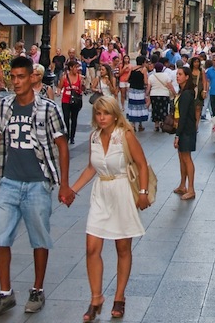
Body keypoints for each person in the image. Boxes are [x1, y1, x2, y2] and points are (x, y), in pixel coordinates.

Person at [0, 57, 73, 318]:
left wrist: (64, 184)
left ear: (32, 77)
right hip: (9, 182)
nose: (16, 81)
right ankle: (5, 293)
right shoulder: (4, 106)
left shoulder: (48, 108)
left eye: (21, 76)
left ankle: (37, 289)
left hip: (38, 182)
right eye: (13, 77)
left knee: (39, 239)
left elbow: (62, 146)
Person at [70, 95, 150, 321]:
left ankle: (119, 296)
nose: (102, 117)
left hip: (122, 191)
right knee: (91, 247)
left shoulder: (125, 136)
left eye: (106, 113)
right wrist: (72, 190)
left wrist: (142, 193)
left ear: (115, 114)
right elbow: (90, 168)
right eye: (98, 113)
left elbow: (142, 165)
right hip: (101, 193)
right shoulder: (94, 137)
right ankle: (96, 297)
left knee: (122, 248)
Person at [173, 65, 198, 200]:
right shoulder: (182, 92)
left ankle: (191, 188)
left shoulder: (187, 93)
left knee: (186, 158)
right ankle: (183, 185)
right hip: (183, 128)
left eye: (180, 74)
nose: (178, 76)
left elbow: (184, 115)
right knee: (182, 157)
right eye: (177, 74)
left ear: (187, 77)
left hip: (186, 129)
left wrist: (178, 134)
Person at [59, 60, 86, 145]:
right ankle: (66, 136)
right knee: (66, 118)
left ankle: (72, 137)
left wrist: (83, 85)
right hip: (66, 100)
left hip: (76, 100)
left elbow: (83, 90)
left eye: (77, 67)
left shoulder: (80, 77)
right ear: (70, 68)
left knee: (74, 119)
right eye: (75, 67)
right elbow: (60, 87)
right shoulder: (64, 77)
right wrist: (58, 92)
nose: (77, 69)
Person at [148, 62, 177, 133]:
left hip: (154, 95)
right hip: (164, 94)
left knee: (155, 109)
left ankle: (156, 125)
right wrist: (175, 94)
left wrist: (146, 94)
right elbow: (170, 86)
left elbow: (149, 88)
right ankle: (163, 123)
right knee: (164, 109)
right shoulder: (166, 76)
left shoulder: (151, 76)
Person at [125, 56, 150, 131]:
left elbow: (127, 78)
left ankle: (133, 124)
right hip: (140, 90)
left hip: (132, 90)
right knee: (140, 106)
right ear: (143, 62)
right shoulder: (143, 69)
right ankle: (140, 124)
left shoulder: (132, 68)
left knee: (132, 106)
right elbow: (145, 81)